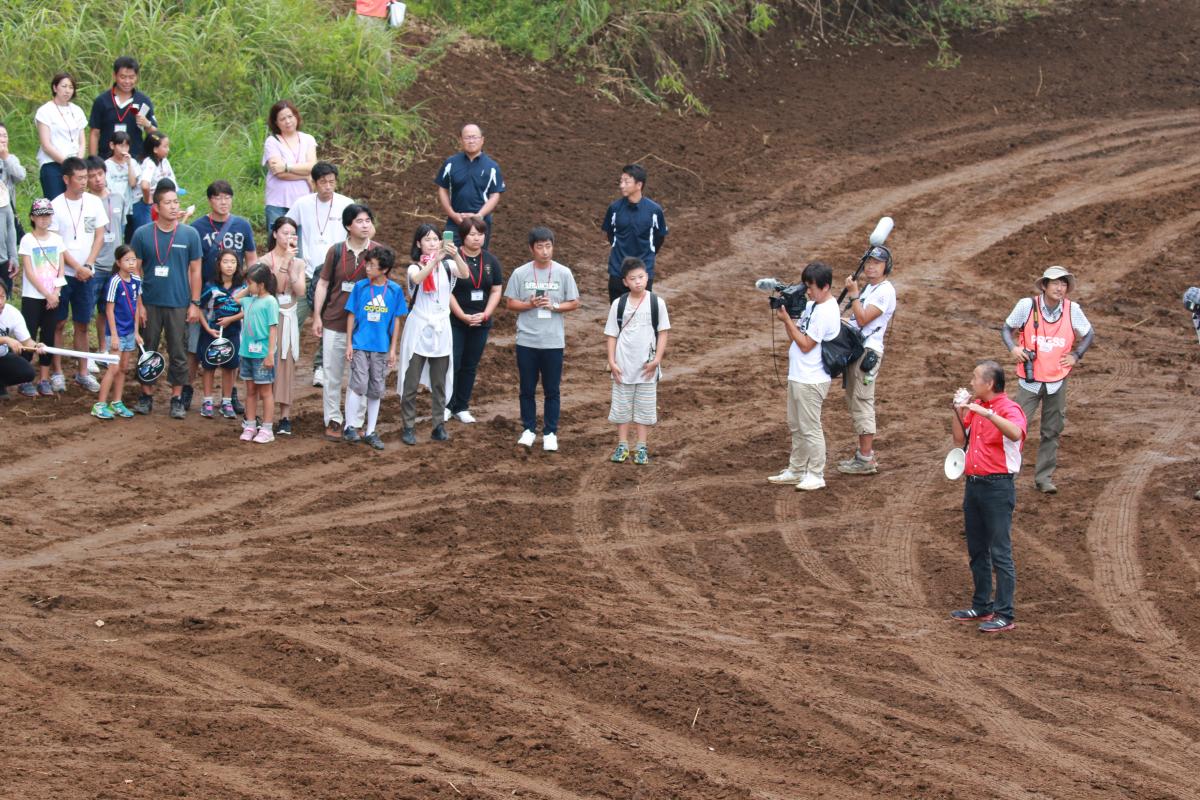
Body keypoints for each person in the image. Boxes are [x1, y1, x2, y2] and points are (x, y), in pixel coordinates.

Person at [1001, 266, 1094, 495]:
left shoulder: (1073, 310)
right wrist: (1013, 348)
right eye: (1055, 283)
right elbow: (1006, 329)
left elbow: (1089, 333)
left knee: (1052, 430)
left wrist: (1076, 355)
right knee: (1016, 429)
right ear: (1044, 286)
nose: (1060, 288)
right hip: (1029, 381)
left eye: (1063, 283)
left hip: (1057, 380)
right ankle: (1007, 475)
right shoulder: (1027, 306)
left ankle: (1043, 478)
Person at [950, 360, 1027, 633]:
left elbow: (1016, 433)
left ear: (989, 384)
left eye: (975, 378)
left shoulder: (1009, 409)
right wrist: (958, 411)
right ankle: (982, 605)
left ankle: (1004, 613)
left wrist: (987, 414)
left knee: (1000, 552)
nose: (971, 383)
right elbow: (960, 440)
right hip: (974, 485)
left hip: (997, 487)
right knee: (977, 549)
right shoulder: (975, 409)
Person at [503, 226, 581, 452]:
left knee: (552, 389)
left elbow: (575, 302)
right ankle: (528, 429)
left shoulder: (564, 273)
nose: (545, 251)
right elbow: (509, 303)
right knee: (526, 388)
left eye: (548, 246)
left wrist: (554, 306)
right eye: (540, 247)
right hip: (526, 340)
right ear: (531, 249)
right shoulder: (520, 273)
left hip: (553, 341)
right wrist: (529, 304)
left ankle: (550, 432)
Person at [130, 181, 202, 418]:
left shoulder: (189, 234)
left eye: (176, 202)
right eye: (168, 203)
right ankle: (146, 395)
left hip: (179, 302)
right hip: (150, 302)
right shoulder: (142, 234)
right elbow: (135, 272)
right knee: (146, 350)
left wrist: (194, 303)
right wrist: (138, 304)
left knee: (178, 350)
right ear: (157, 207)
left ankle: (176, 398)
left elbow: (195, 271)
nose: (173, 207)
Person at [768, 261, 840, 491]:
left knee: (810, 428)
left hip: (812, 379)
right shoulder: (813, 306)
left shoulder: (826, 311)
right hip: (800, 375)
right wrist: (790, 319)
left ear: (825, 286)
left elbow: (806, 344)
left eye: (811, 287)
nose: (808, 291)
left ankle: (816, 474)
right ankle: (797, 469)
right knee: (797, 426)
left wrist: (787, 321)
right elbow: (798, 338)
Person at [311, 203, 381, 440]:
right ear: (348, 226)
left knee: (360, 377)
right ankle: (333, 418)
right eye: (360, 221)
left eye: (368, 220)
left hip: (365, 328)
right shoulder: (336, 251)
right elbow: (322, 283)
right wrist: (317, 316)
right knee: (332, 373)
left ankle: (356, 420)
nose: (365, 225)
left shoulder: (378, 252)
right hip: (334, 321)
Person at [397, 224, 469, 445]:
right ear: (418, 243)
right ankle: (408, 426)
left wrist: (455, 255)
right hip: (419, 327)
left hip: (441, 327)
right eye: (427, 239)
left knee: (439, 380)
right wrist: (435, 260)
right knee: (411, 381)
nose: (432, 243)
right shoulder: (414, 267)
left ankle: (438, 424)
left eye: (436, 239)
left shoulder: (448, 267)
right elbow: (417, 279)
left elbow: (465, 273)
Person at [188, 180, 257, 411]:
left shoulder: (242, 225)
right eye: (218, 197)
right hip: (208, 295)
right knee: (199, 346)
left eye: (227, 197)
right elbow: (194, 264)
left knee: (233, 347)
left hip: (235, 293)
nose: (223, 202)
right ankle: (192, 392)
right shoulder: (198, 227)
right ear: (210, 200)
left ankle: (230, 396)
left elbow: (251, 258)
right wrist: (195, 300)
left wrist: (252, 288)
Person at [288, 161, 351, 388]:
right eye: (323, 182)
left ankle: (321, 367)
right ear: (313, 183)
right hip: (307, 270)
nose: (327, 186)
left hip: (335, 272)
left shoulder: (346, 204)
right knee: (293, 316)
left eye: (331, 182)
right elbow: (287, 225)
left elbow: (361, 228)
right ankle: (283, 362)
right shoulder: (302, 203)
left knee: (331, 320)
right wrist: (289, 249)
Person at [837, 245, 898, 475]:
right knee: (856, 401)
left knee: (862, 402)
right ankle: (863, 456)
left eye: (877, 263)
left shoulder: (884, 291)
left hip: (867, 353)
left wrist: (852, 294)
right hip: (858, 350)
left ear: (886, 267)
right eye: (869, 262)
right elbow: (854, 319)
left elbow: (862, 319)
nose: (871, 266)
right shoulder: (871, 289)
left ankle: (865, 458)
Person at [49, 157, 108, 393]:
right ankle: (57, 371)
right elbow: (55, 243)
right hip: (63, 273)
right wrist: (77, 266)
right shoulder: (55, 205)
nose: (85, 182)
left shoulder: (94, 203)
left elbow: (99, 235)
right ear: (66, 179)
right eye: (80, 178)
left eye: (86, 177)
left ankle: (83, 372)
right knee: (59, 322)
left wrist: (89, 264)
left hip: (87, 273)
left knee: (83, 323)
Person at [604, 257, 670, 466]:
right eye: (633, 279)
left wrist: (657, 360)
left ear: (647, 277)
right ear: (625, 282)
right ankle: (623, 445)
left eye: (641, 277)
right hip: (623, 367)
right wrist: (612, 362)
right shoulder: (619, 304)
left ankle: (641, 446)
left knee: (644, 409)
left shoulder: (656, 303)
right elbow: (612, 335)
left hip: (647, 369)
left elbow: (663, 333)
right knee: (621, 409)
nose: (638, 282)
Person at [343, 245, 406, 449]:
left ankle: (370, 430)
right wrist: (349, 343)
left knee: (376, 388)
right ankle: (350, 426)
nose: (367, 268)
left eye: (372, 265)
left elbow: (396, 320)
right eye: (367, 264)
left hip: (381, 347)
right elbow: (351, 314)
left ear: (384, 269)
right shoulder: (360, 287)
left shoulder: (395, 290)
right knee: (359, 383)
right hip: (361, 344)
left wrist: (393, 349)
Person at [446, 216, 502, 424]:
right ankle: (447, 404)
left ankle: (462, 406)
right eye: (472, 234)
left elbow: (496, 289)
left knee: (470, 364)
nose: (477, 238)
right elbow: (447, 290)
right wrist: (461, 315)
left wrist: (486, 313)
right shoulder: (452, 259)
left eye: (480, 234)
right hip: (456, 320)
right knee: (454, 362)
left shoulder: (490, 261)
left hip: (480, 322)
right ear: (462, 236)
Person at [223, 265, 279, 443]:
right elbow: (234, 298)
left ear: (261, 284)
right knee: (250, 390)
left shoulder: (270, 302)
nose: (247, 286)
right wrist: (249, 287)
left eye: (250, 283)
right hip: (247, 352)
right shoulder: (249, 300)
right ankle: (250, 424)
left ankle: (267, 428)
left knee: (265, 391)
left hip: (262, 353)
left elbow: (273, 329)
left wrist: (270, 353)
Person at [262, 216, 306, 435]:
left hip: (288, 315)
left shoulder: (299, 262)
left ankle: (285, 416)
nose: (289, 237)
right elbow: (275, 288)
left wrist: (290, 265)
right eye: (285, 233)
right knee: (267, 360)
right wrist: (284, 264)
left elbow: (300, 291)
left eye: (292, 234)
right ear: (275, 234)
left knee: (286, 362)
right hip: (269, 315)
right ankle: (266, 412)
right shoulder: (264, 261)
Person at [16, 199, 64, 396]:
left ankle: (44, 378)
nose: (45, 220)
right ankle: (25, 378)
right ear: (32, 218)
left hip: (53, 295)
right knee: (29, 336)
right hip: (33, 296)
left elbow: (61, 268)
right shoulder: (27, 239)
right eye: (40, 216)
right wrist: (47, 294)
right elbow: (29, 271)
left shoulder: (57, 239)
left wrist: (56, 293)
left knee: (48, 336)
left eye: (48, 215)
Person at [601, 163, 668, 303]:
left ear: (639, 185)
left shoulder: (654, 210)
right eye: (621, 181)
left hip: (643, 271)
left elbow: (659, 237)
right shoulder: (614, 208)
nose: (622, 185)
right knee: (617, 315)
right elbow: (610, 233)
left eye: (626, 181)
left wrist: (649, 253)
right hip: (617, 270)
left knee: (641, 315)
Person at [434, 124, 505, 248]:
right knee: (449, 256)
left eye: (474, 137)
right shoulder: (450, 163)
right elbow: (442, 189)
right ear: (460, 140)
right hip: (455, 221)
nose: (471, 141)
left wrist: (479, 215)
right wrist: (452, 214)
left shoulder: (492, 167)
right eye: (467, 138)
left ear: (482, 140)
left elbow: (495, 195)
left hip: (480, 223)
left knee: (478, 259)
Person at [92, 245, 141, 419]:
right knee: (113, 368)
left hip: (128, 332)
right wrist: (113, 335)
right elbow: (109, 311)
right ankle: (100, 404)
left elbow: (136, 307)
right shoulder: (114, 282)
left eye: (133, 260)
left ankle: (117, 402)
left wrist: (136, 332)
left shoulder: (136, 280)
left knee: (123, 368)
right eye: (127, 260)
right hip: (117, 333)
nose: (131, 263)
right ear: (118, 262)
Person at [86, 156, 127, 363]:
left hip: (115, 265)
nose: (97, 180)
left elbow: (122, 227)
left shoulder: (118, 198)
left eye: (100, 174)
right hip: (95, 265)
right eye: (91, 176)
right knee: (88, 310)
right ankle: (89, 355)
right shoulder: (87, 203)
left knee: (107, 309)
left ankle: (103, 349)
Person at [197, 248, 245, 420]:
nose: (229, 266)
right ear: (218, 264)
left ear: (238, 265)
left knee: (230, 367)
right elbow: (200, 309)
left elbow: (248, 309)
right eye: (225, 262)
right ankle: (207, 401)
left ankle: (226, 402)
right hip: (211, 332)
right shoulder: (210, 286)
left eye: (233, 262)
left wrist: (231, 319)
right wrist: (207, 328)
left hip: (232, 333)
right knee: (208, 366)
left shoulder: (243, 288)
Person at [88, 56, 157, 160]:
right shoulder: (102, 101)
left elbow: (155, 135)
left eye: (131, 77)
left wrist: (147, 124)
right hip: (106, 160)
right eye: (123, 77)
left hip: (135, 160)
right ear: (114, 75)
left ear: (137, 77)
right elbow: (94, 133)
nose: (127, 81)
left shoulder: (143, 101)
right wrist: (92, 162)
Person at [262, 100, 317, 232]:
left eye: (290, 116)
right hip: (277, 202)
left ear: (296, 117)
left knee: (300, 247)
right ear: (276, 122)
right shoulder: (272, 142)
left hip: (303, 201)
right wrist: (305, 176)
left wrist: (286, 166)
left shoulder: (308, 139)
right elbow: (279, 173)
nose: (287, 121)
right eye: (282, 119)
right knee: (277, 245)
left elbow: (313, 167)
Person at [35, 73, 88, 200]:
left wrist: (78, 162)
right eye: (64, 86)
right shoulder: (45, 111)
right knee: (56, 203)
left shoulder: (77, 110)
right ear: (55, 88)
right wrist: (67, 163)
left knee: (76, 201)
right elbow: (46, 145)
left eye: (71, 87)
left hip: (75, 166)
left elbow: (82, 141)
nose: (67, 90)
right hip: (53, 165)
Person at [0, 282, 40, 390]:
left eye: (2, 296)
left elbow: (27, 342)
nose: (0, 302)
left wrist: (36, 347)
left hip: (1, 356)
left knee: (27, 372)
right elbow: (6, 340)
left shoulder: (12, 313)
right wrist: (5, 339)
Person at [0, 123, 24, 296]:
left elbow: (20, 175)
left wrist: (5, 156)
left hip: (6, 210)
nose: (2, 139)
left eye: (5, 136)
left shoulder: (10, 159)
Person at [134, 132, 176, 230]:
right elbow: (144, 185)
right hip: (144, 205)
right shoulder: (149, 163)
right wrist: (147, 200)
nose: (168, 149)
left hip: (159, 202)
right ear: (155, 149)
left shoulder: (164, 161)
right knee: (148, 233)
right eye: (165, 147)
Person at [103, 131, 139, 243]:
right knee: (115, 236)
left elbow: (133, 183)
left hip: (128, 206)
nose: (124, 149)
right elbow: (106, 187)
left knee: (124, 235)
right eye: (121, 145)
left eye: (126, 146)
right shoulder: (106, 164)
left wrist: (128, 165)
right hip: (113, 205)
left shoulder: (132, 162)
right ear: (112, 145)